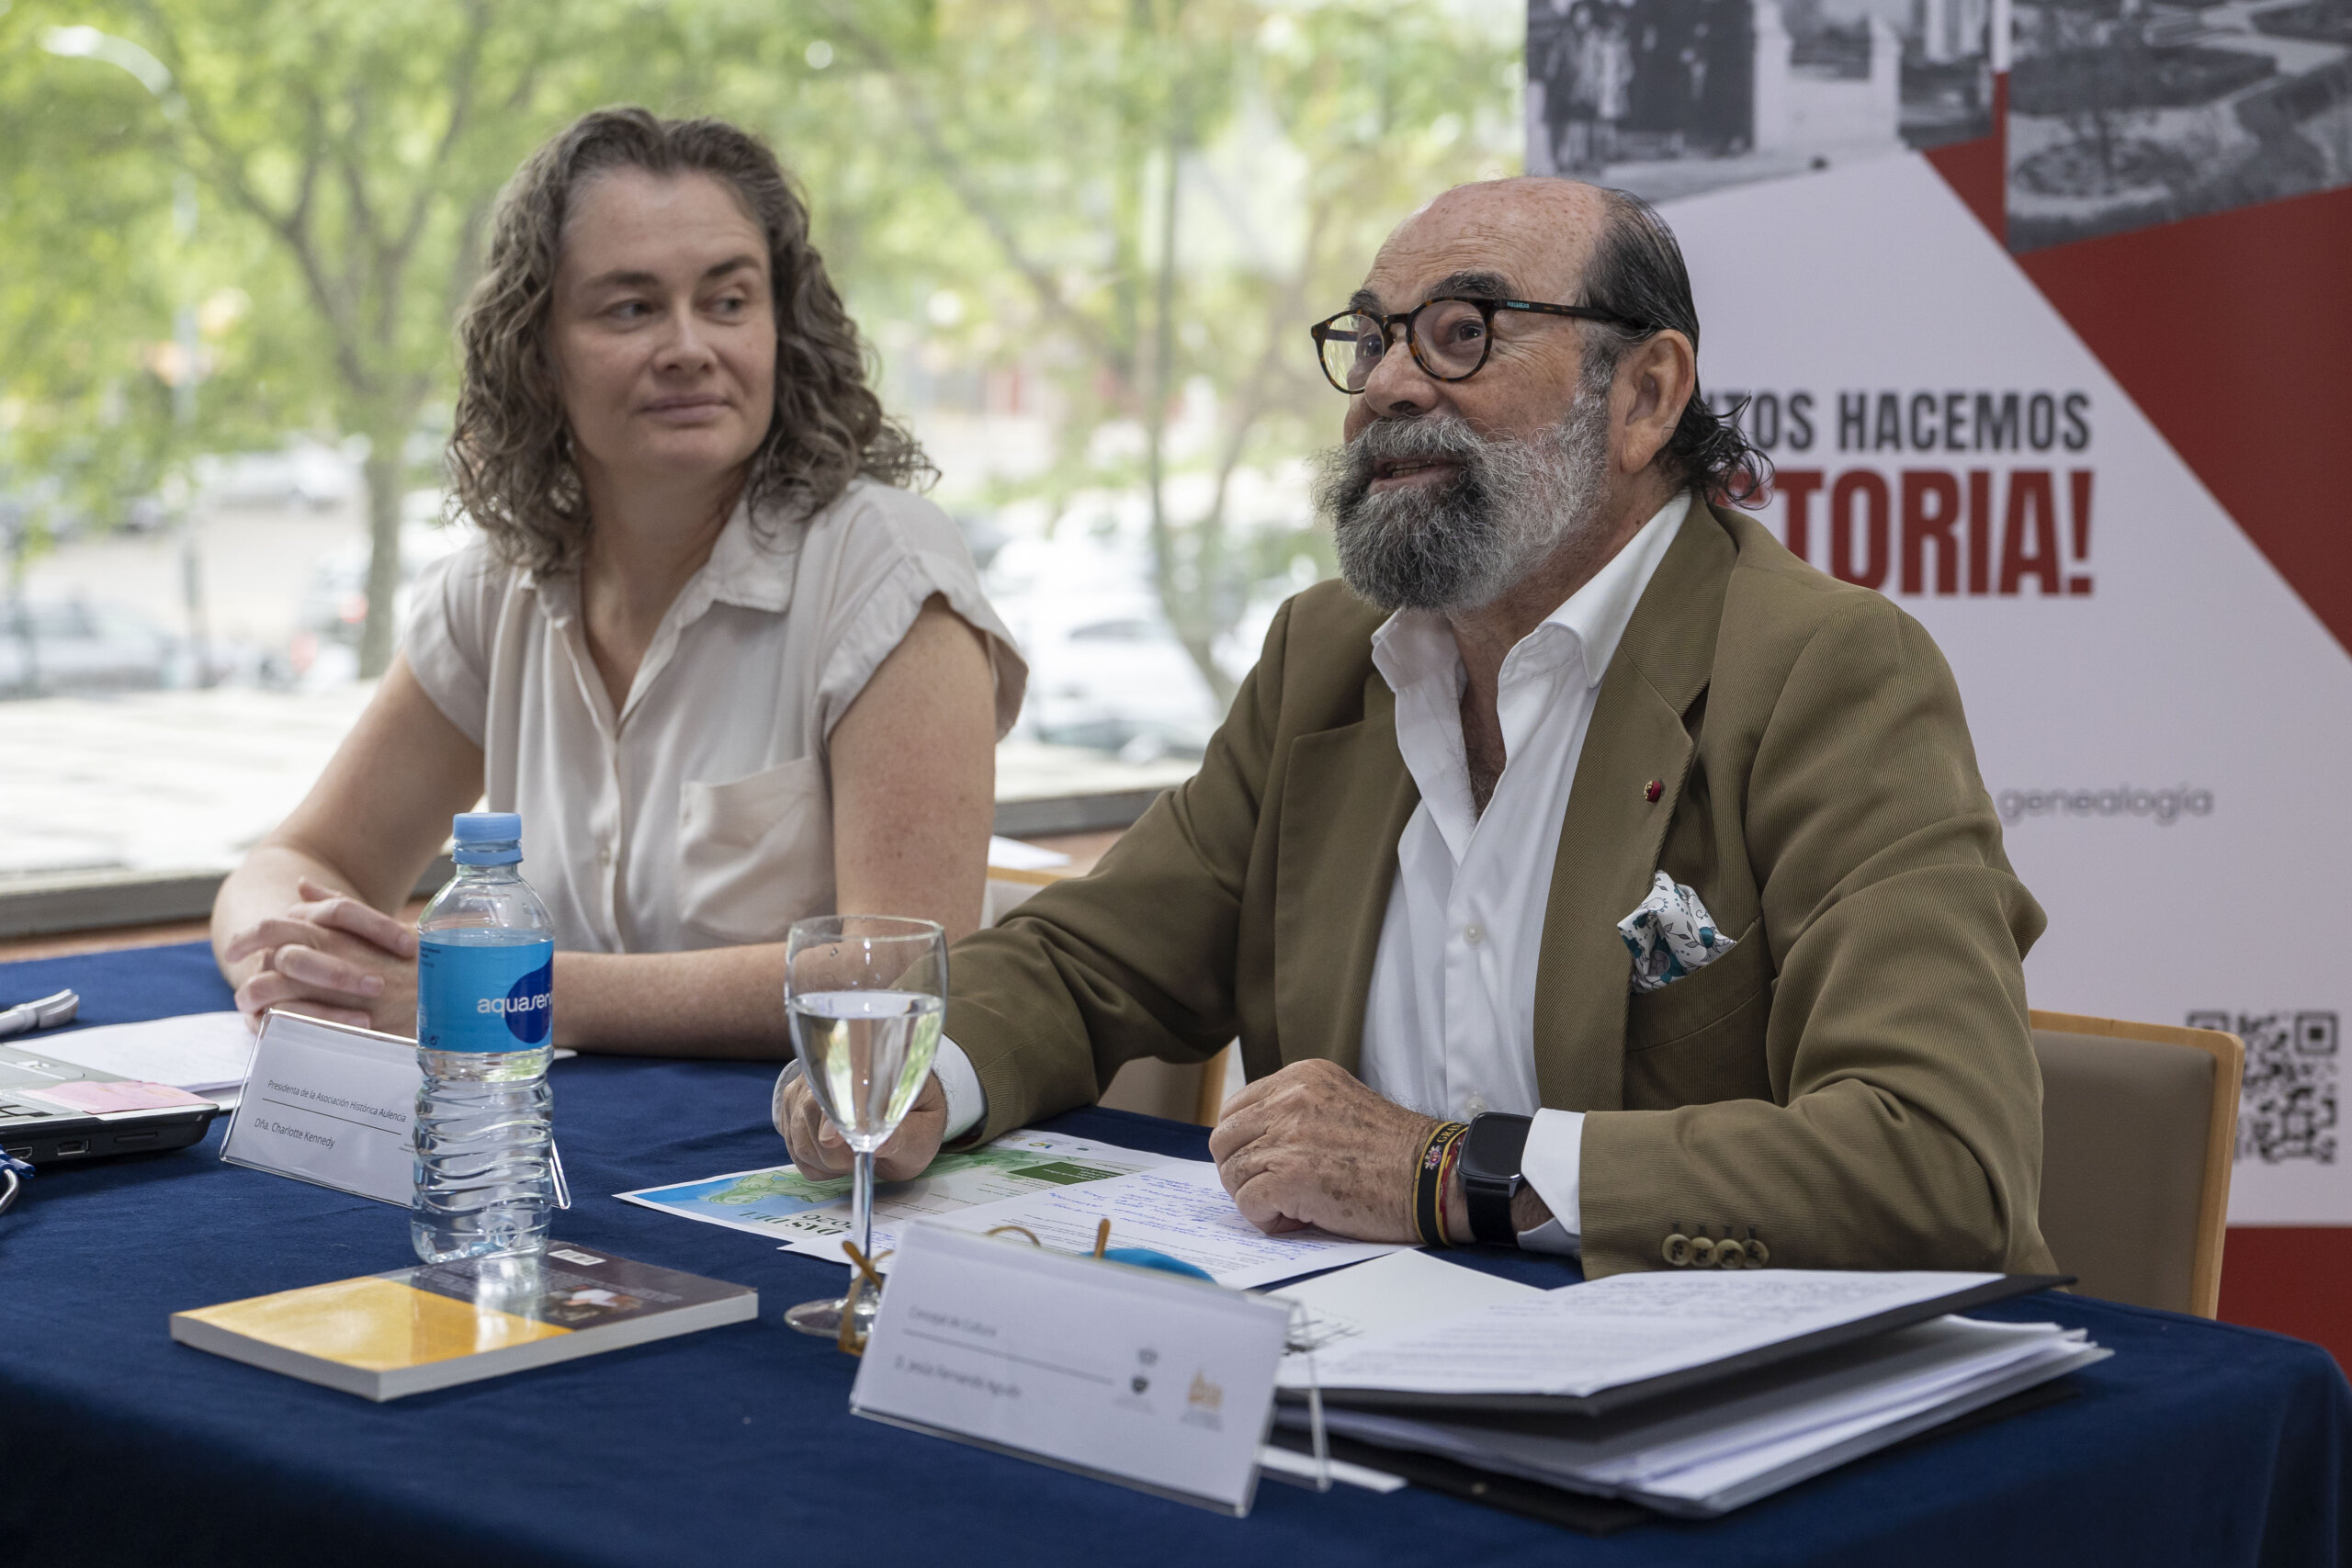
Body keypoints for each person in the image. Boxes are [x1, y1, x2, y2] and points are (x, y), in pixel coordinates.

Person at [777, 176, 2055, 1280]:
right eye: (1373, 338)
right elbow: (1087, 961)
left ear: (1646, 394)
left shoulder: (1826, 671)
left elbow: (1937, 1157)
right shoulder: (1328, 656)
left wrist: (1451, 1173)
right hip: (1349, 1382)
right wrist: (921, 1077)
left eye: (1463, 332)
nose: (1386, 384)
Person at [211, 109, 1024, 1055]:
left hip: (800, 1162)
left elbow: (898, 972)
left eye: (727, 302)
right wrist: (293, 966)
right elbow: (297, 862)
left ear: (782, 329)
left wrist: (495, 992)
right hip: (546, 1147)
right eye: (631, 308)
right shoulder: (495, 589)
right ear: (539, 354)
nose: (689, 345)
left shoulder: (887, 570)